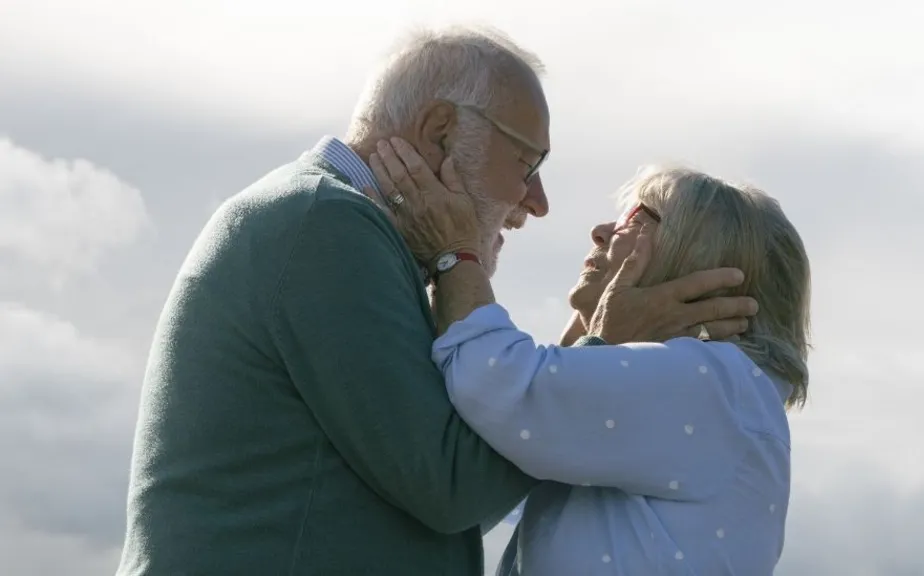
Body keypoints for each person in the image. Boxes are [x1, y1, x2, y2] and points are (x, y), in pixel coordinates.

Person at [115, 26, 759, 576]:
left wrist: (588, 338)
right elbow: (452, 485)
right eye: (527, 162)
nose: (537, 201)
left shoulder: (337, 229)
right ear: (441, 132)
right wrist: (602, 344)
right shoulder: (328, 227)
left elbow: (450, 479)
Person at [364, 139, 811, 576]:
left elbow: (500, 382)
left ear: (702, 262)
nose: (600, 232)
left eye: (639, 218)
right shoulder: (718, 401)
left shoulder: (713, 385)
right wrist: (598, 330)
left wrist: (452, 250)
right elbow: (497, 469)